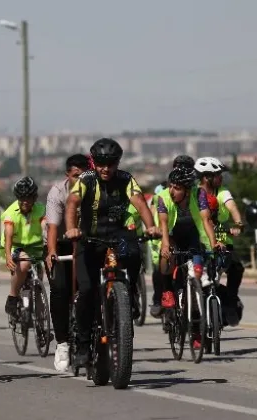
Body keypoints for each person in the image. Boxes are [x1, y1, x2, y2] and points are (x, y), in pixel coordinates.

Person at [65, 138, 158, 366]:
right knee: (86, 291)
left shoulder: (126, 179)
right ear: (94, 163)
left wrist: (151, 226)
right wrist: (71, 229)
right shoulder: (86, 180)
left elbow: (139, 202)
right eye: (101, 164)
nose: (106, 169)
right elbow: (72, 203)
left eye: (111, 164)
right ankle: (84, 345)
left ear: (118, 163)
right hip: (88, 239)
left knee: (134, 252)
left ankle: (130, 293)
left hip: (117, 237)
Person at [44, 154, 91, 371]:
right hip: (60, 243)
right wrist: (52, 251)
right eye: (75, 176)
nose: (80, 181)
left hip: (85, 243)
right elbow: (53, 226)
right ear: (67, 176)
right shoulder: (58, 192)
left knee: (89, 287)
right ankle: (62, 342)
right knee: (60, 289)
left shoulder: (94, 188)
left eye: (84, 176)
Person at [155, 165, 207, 348]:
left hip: (192, 237)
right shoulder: (164, 198)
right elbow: (162, 223)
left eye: (177, 188)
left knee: (196, 282)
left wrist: (214, 243)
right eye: (171, 185)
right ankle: (167, 291)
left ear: (187, 190)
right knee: (166, 260)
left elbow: (206, 220)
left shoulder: (198, 195)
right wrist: (166, 245)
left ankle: (196, 330)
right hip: (172, 235)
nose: (171, 190)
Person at [194, 156, 246, 325]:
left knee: (236, 267)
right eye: (217, 175)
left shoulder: (222, 192)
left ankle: (230, 301)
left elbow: (232, 207)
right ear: (206, 177)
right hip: (199, 242)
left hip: (222, 240)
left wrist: (238, 223)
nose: (221, 178)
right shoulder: (194, 194)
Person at [149, 155, 196, 317]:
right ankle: (160, 297)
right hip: (167, 234)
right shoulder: (163, 193)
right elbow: (159, 216)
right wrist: (161, 238)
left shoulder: (197, 193)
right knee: (162, 265)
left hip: (191, 234)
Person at [2, 177, 46, 318]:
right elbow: (8, 235)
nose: (25, 201)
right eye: (22, 198)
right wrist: (8, 256)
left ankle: (41, 328)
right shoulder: (11, 212)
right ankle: (13, 295)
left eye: (29, 198)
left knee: (38, 286)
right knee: (25, 262)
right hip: (15, 245)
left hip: (35, 246)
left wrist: (49, 247)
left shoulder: (41, 209)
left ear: (34, 197)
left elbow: (46, 228)